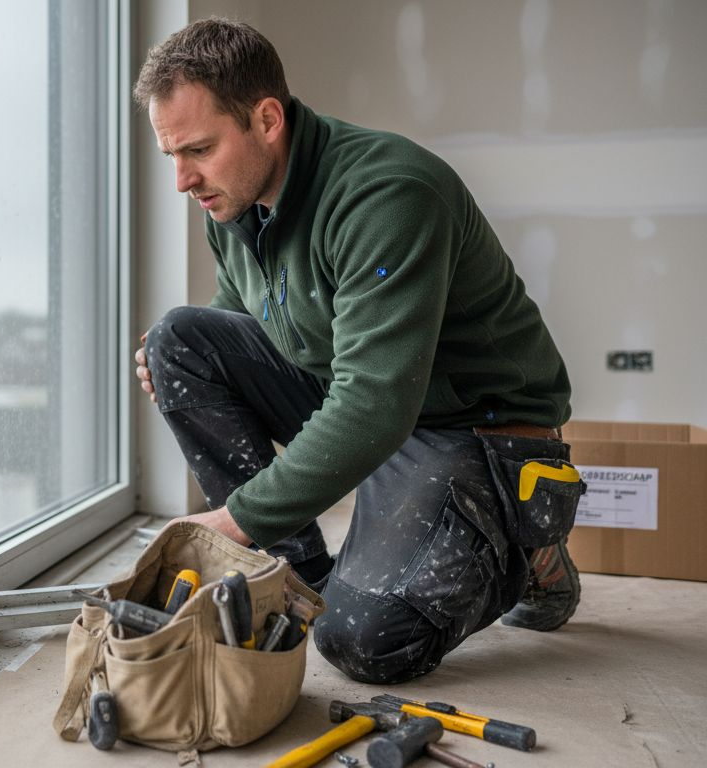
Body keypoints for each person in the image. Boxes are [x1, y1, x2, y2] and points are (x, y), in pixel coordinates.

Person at [133, 18, 583, 684]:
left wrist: (237, 519)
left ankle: (529, 550)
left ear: (266, 120)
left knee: (365, 641)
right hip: (366, 394)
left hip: (471, 426)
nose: (182, 180)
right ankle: (295, 575)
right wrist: (185, 368)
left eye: (198, 149)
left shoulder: (387, 194)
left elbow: (374, 402)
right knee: (177, 343)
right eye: (171, 154)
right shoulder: (232, 201)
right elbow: (239, 319)